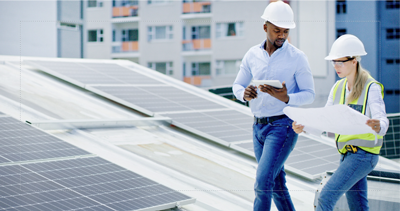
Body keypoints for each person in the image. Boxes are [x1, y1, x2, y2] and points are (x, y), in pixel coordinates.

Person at [232, 1, 315, 210]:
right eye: (277, 30)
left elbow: (309, 95)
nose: (282, 35)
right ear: (265, 27)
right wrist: (245, 94)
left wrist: (286, 98)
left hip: (282, 127)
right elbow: (237, 85)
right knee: (276, 184)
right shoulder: (252, 55)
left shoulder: (297, 58)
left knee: (262, 183)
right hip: (258, 127)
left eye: (285, 31)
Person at [293, 34, 389, 211]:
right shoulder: (337, 88)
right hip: (347, 156)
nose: (336, 66)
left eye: (340, 62)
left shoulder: (371, 88)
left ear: (354, 61)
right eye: (333, 62)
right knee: (358, 207)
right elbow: (325, 120)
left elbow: (382, 120)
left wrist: (379, 126)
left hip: (363, 155)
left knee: (325, 197)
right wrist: (304, 126)